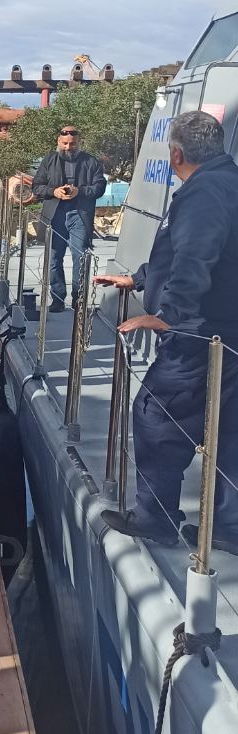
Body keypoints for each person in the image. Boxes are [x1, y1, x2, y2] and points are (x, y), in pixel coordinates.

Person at [97, 111, 238, 548]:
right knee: (229, 427)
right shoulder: (228, 182)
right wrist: (139, 278)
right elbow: (198, 251)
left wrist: (169, 313)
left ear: (176, 154)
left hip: (199, 332)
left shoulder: (204, 192)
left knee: (157, 414)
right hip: (228, 329)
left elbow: (196, 255)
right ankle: (229, 527)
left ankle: (155, 518)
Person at [31, 124, 106, 312]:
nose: (68, 147)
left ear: (78, 142)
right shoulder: (49, 160)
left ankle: (78, 300)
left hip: (79, 215)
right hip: (55, 215)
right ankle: (57, 300)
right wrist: (54, 191)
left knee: (80, 257)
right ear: (59, 141)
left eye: (72, 144)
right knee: (54, 259)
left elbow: (99, 188)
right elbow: (36, 186)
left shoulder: (90, 161)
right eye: (64, 143)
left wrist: (79, 191)